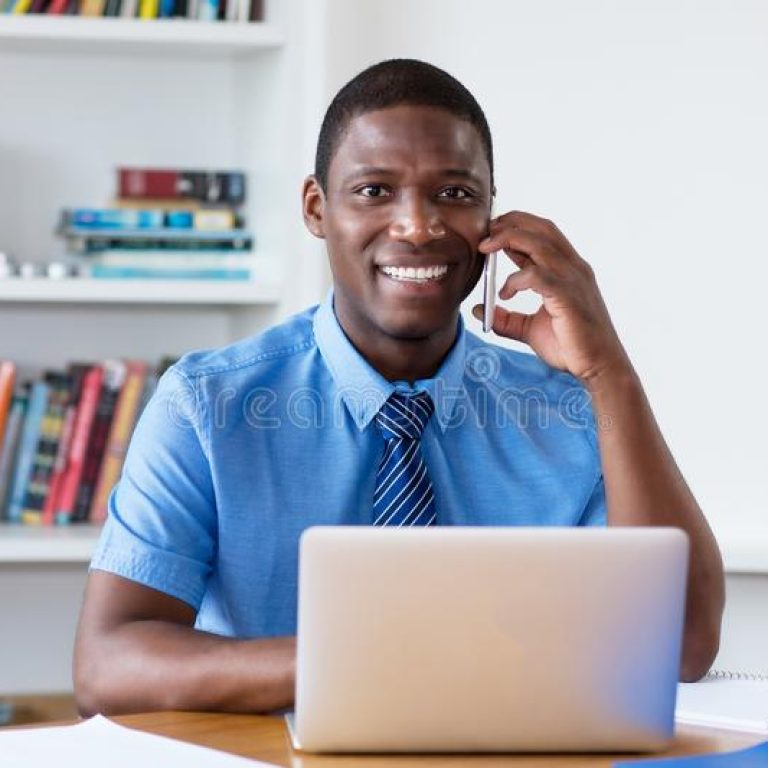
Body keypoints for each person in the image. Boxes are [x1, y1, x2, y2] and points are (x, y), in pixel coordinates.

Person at [74, 59, 724, 717]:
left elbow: (682, 647)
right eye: (375, 190)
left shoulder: (566, 409)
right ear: (316, 208)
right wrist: (375, 660)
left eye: (454, 194)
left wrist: (608, 372)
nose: (418, 226)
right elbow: (109, 664)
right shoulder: (205, 405)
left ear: (493, 217)